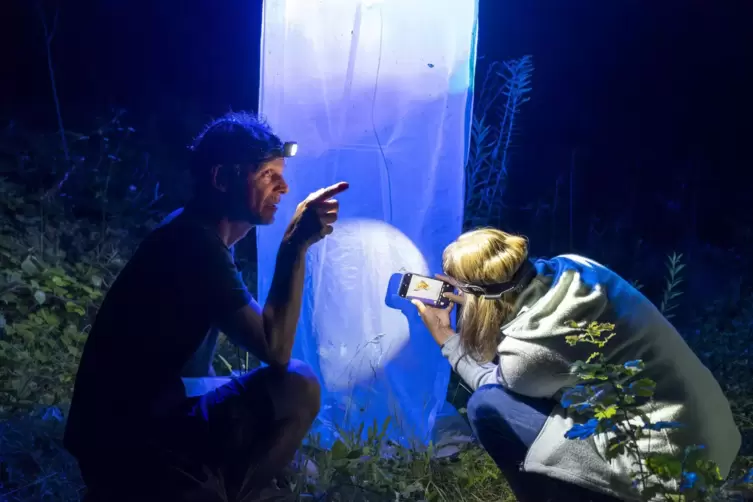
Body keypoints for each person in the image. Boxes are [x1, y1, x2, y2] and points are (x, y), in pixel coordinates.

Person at [64, 111, 349, 501]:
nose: (282, 187)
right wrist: (294, 246)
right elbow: (275, 349)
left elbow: (187, 360)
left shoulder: (193, 233)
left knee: (288, 450)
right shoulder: (193, 245)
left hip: (136, 422)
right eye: (267, 175)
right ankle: (231, 490)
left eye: (280, 173)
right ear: (221, 179)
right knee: (298, 384)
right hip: (125, 443)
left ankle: (223, 480)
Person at [411, 228, 741, 502]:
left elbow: (495, 381)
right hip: (713, 439)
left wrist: (446, 337)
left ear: (478, 300)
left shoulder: (527, 356)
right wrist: (480, 300)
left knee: (488, 406)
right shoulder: (577, 267)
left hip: (667, 475)